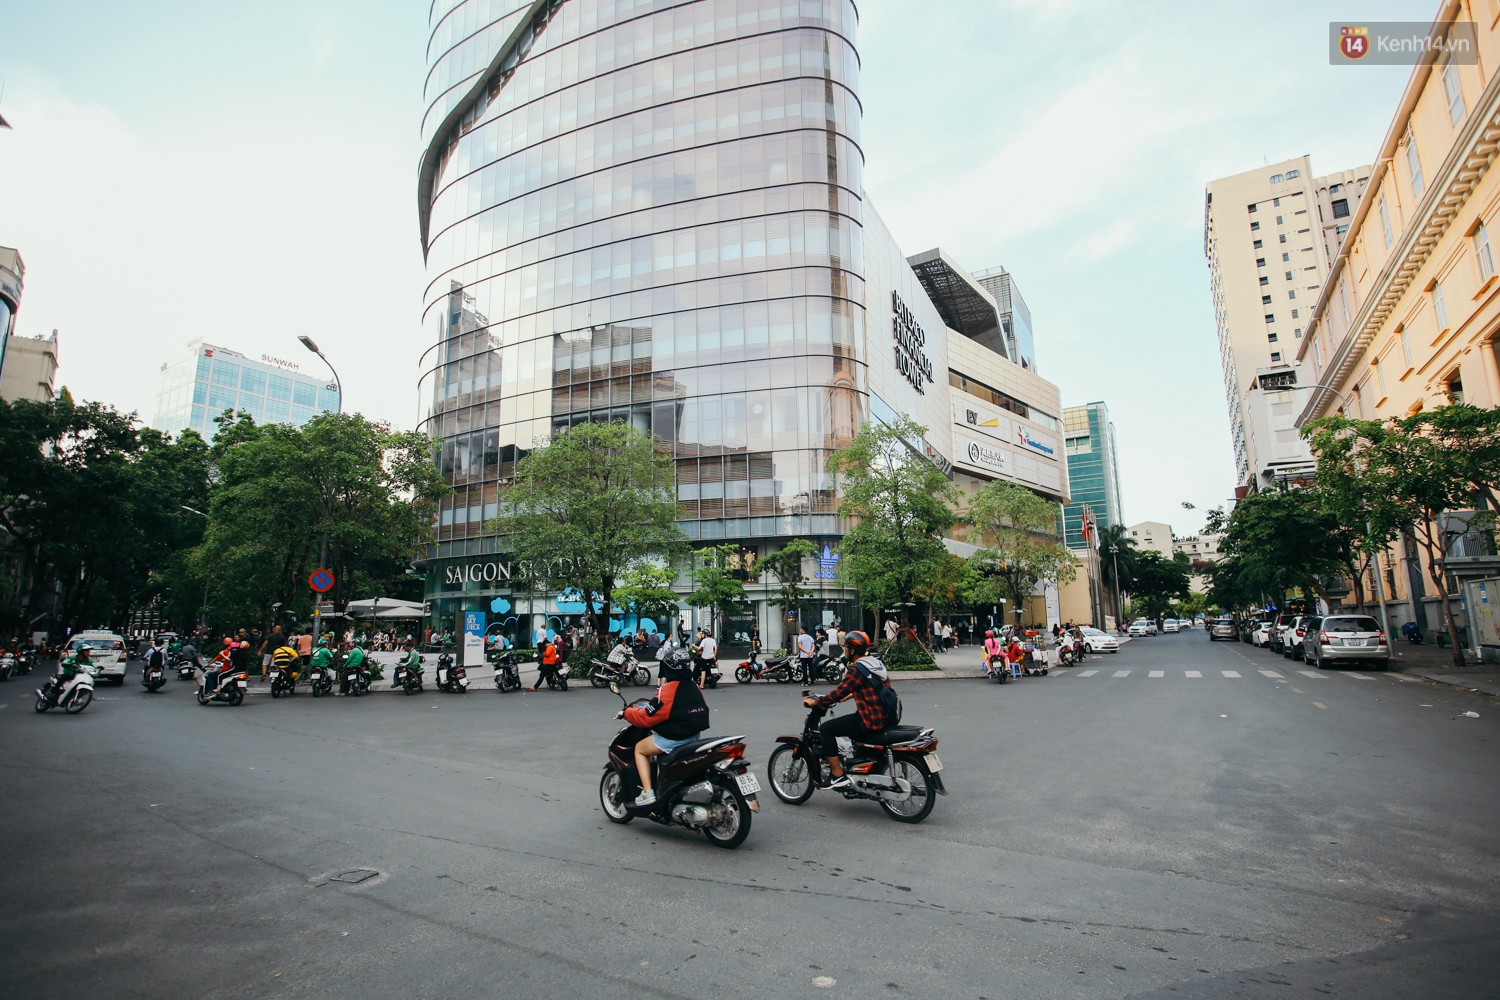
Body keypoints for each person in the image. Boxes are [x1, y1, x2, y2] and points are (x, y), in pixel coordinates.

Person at [617, 648, 709, 807]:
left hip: (674, 738)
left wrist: (626, 713)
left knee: (639, 749)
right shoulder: (694, 686)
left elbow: (646, 717)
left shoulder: (667, 690)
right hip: (694, 736)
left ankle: (647, 793)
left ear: (668, 668)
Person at [801, 631, 890, 790]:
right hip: (884, 715)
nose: (845, 651)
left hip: (869, 719)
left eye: (846, 648)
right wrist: (852, 695)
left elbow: (838, 692)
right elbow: (874, 688)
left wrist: (816, 702)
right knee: (850, 729)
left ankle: (837, 774)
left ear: (853, 650)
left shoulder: (857, 669)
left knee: (827, 729)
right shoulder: (874, 664)